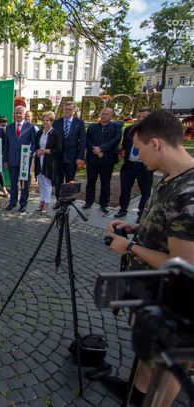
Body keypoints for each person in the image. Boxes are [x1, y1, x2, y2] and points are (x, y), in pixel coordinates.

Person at [106, 109, 194, 407]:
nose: (137, 156)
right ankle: (136, 394)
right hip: (151, 293)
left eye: (138, 149)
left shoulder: (189, 193)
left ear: (155, 143)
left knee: (166, 371)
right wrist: (137, 228)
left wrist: (130, 247)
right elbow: (167, 229)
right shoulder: (170, 177)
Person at [115, 108, 153, 222]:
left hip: (144, 167)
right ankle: (123, 209)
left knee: (145, 192)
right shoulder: (129, 130)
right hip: (129, 165)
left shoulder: (154, 133)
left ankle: (141, 214)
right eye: (139, 116)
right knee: (125, 189)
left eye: (143, 117)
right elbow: (124, 146)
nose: (140, 119)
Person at [83, 107, 122, 213]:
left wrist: (102, 149)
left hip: (107, 159)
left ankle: (104, 204)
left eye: (106, 114)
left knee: (105, 183)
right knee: (91, 181)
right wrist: (94, 149)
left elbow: (116, 139)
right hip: (93, 159)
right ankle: (89, 201)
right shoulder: (92, 127)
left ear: (111, 115)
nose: (104, 116)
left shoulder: (115, 127)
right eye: (103, 114)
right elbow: (87, 139)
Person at [52, 101, 86, 208]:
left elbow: (83, 141)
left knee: (70, 180)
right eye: (65, 109)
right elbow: (52, 140)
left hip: (72, 157)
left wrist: (80, 157)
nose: (67, 111)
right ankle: (59, 200)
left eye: (69, 109)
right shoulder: (56, 123)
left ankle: (67, 202)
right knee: (58, 180)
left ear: (74, 111)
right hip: (58, 157)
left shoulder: (79, 123)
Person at [4, 105, 37, 213]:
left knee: (24, 183)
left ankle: (23, 204)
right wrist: (5, 160)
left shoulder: (30, 127)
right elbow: (6, 145)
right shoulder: (9, 128)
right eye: (16, 113)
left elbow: (34, 143)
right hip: (12, 159)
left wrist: (30, 152)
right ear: (14, 114)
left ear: (24, 114)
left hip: (24, 160)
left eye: (20, 113)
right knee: (13, 183)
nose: (18, 115)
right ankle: (12, 202)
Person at [34, 111, 62, 213]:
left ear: (51, 121)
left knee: (47, 183)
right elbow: (36, 145)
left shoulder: (55, 134)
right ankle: (41, 201)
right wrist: (37, 151)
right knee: (41, 183)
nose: (45, 122)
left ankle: (46, 203)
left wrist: (45, 151)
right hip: (39, 160)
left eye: (47, 120)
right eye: (43, 120)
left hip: (49, 162)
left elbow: (58, 149)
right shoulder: (39, 133)